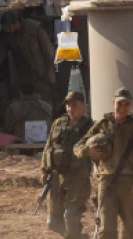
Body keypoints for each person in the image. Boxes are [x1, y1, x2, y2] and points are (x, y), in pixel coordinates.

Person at [75, 88, 133, 239]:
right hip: (106, 181)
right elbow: (78, 147)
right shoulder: (101, 125)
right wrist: (87, 151)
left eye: (126, 104)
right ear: (113, 103)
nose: (122, 108)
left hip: (131, 183)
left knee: (128, 228)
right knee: (106, 228)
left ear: (131, 105)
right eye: (119, 104)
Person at [41, 90, 94, 238]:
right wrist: (44, 169)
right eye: (68, 105)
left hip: (78, 177)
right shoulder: (58, 123)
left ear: (83, 105)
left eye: (74, 105)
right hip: (57, 176)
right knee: (52, 222)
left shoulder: (90, 126)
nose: (70, 108)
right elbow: (48, 146)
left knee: (70, 216)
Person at [0, 10, 57, 103]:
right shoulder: (8, 36)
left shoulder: (34, 29)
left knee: (45, 101)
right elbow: (1, 54)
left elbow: (48, 51)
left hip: (41, 74)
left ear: (16, 22)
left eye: (10, 27)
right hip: (24, 76)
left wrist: (50, 70)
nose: (8, 30)